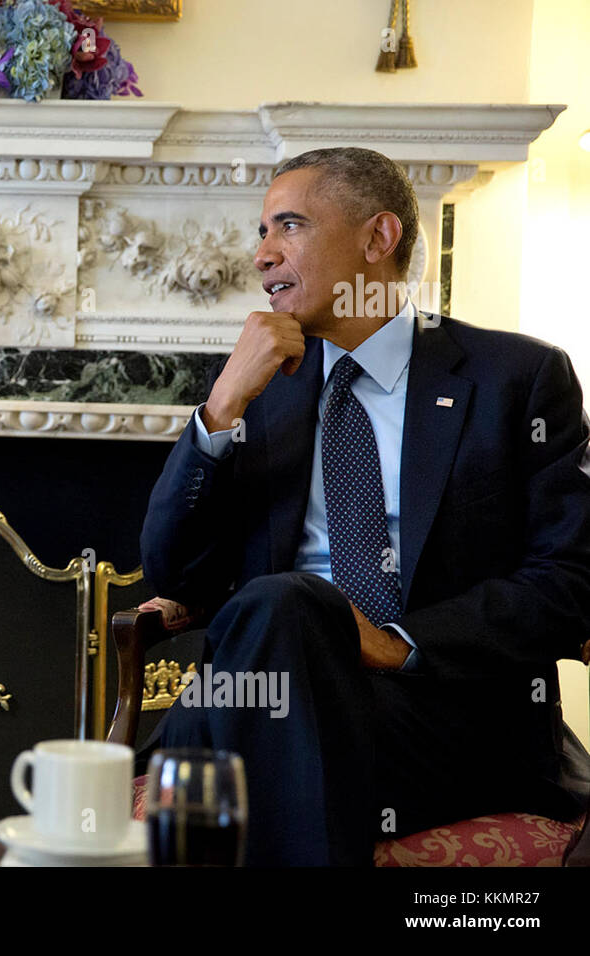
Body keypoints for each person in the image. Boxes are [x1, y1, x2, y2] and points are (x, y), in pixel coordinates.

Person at [137, 147, 590, 866]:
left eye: (289, 226)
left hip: (441, 716)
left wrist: (399, 641)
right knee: (284, 613)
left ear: (378, 239)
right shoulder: (257, 392)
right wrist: (219, 412)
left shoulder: (517, 380)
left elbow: (569, 583)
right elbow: (175, 577)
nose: (262, 255)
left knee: (281, 622)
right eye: (261, 232)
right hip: (273, 697)